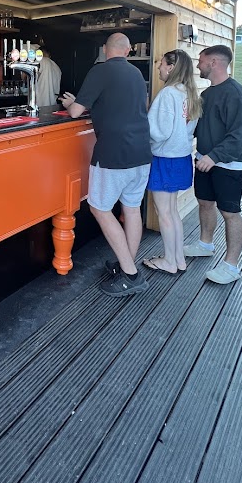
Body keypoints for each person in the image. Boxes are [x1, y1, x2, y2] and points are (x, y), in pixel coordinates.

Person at [62, 32, 152, 297]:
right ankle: (127, 264)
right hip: (141, 152)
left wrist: (70, 103)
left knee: (99, 208)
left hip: (113, 153)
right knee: (132, 209)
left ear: (105, 50)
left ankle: (131, 275)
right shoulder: (136, 74)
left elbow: (76, 111)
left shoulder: (100, 71)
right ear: (127, 51)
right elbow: (138, 105)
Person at [185, 44, 242, 284]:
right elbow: (201, 128)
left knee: (230, 212)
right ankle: (205, 244)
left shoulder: (238, 94)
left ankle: (231, 266)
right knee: (205, 203)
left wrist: (213, 157)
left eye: (201, 61)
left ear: (214, 63)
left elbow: (240, 136)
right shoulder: (207, 94)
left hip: (229, 166)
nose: (198, 65)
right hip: (205, 161)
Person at [143, 49, 201, 274]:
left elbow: (159, 132)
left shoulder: (168, 94)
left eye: (161, 63)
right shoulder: (189, 92)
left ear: (171, 67)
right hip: (182, 157)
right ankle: (178, 259)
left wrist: (144, 128)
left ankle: (169, 261)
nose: (158, 67)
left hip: (165, 158)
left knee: (164, 213)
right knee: (172, 211)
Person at [35, 44, 62, 108]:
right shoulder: (57, 67)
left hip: (40, 104)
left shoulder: (41, 61)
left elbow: (29, 78)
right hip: (53, 104)